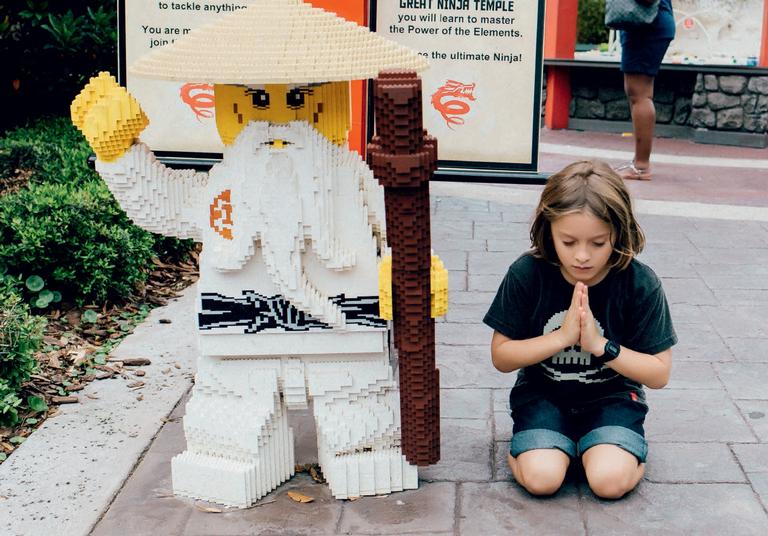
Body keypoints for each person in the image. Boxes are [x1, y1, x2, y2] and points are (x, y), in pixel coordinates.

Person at [483, 160, 677, 499]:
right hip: (542, 394)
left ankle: (618, 451)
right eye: (568, 242)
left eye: (598, 243)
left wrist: (601, 345)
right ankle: (547, 449)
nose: (583, 256)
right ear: (549, 229)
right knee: (542, 480)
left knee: (609, 483)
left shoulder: (639, 282)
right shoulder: (528, 273)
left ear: (618, 233)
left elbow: (659, 374)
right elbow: (501, 356)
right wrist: (561, 338)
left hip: (612, 398)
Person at [615, 0, 676, 181]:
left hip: (647, 27)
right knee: (638, 93)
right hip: (647, 25)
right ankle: (639, 162)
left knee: (640, 94)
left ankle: (641, 166)